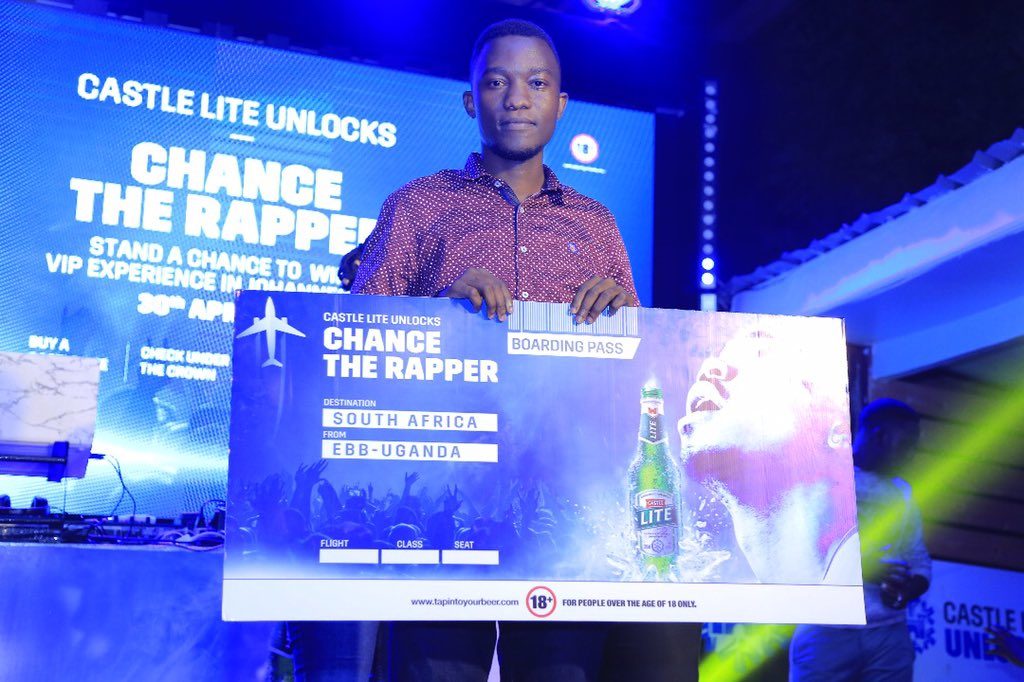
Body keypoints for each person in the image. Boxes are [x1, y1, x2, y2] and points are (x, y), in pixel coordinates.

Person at [343, 17, 699, 682]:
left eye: (536, 83)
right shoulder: (418, 206)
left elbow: (633, 375)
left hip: (563, 507)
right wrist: (437, 312)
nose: (516, 98)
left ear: (561, 104)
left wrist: (623, 318)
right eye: (497, 83)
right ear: (469, 100)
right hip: (446, 500)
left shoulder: (596, 224)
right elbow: (357, 339)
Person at [789, 398, 932, 682]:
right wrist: (861, 569)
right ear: (879, 436)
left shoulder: (903, 493)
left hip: (888, 633)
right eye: (906, 445)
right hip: (827, 627)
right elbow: (797, 553)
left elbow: (919, 562)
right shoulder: (822, 479)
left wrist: (907, 589)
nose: (911, 455)